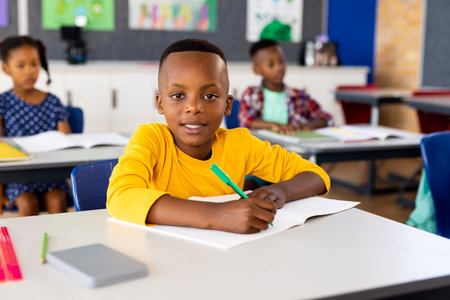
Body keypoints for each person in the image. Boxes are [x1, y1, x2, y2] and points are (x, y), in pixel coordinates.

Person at [107, 38, 330, 234]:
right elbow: (120, 197)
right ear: (160, 104)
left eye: (210, 96)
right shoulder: (152, 139)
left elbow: (317, 175)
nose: (193, 107)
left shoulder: (239, 144)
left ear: (227, 105)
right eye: (177, 95)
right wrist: (218, 215)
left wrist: (279, 190)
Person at [0, 36, 71, 216]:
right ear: (6, 69)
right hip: (19, 177)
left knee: (57, 200)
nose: (30, 71)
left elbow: (68, 143)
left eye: (35, 64)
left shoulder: (53, 101)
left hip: (50, 174)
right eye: (21, 65)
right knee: (27, 202)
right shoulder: (3, 102)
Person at [238, 39, 333, 135]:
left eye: (281, 61)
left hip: (292, 147)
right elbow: (245, 120)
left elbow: (327, 117)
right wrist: (274, 125)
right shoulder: (251, 94)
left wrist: (312, 124)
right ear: (257, 70)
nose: (279, 67)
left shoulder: (299, 96)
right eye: (271, 65)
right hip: (261, 147)